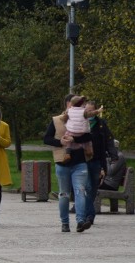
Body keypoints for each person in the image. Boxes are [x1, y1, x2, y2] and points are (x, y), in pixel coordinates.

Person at [43, 94, 92, 233]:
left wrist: (75, 140)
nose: (78, 107)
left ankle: (80, 221)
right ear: (67, 104)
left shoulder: (84, 119)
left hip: (80, 162)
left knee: (80, 191)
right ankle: (65, 223)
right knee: (64, 194)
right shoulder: (57, 120)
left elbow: (89, 136)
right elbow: (46, 138)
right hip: (62, 162)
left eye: (80, 104)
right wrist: (60, 142)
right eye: (74, 104)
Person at [84, 100, 117, 226]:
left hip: (97, 160)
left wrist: (113, 155)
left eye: (91, 110)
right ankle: (89, 216)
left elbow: (109, 140)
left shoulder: (101, 124)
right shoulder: (81, 122)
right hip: (83, 160)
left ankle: (87, 213)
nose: (89, 112)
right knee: (85, 187)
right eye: (87, 110)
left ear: (96, 111)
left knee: (92, 188)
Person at [64, 95, 103, 161]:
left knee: (67, 139)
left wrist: (66, 121)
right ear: (82, 104)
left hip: (71, 131)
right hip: (81, 131)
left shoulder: (69, 111)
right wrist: (98, 111)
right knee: (87, 139)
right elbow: (91, 114)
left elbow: (65, 117)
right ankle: (88, 150)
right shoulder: (83, 112)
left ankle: (67, 153)